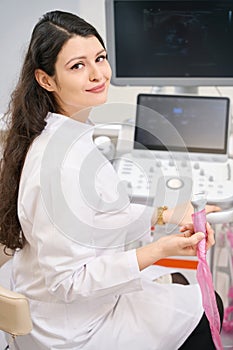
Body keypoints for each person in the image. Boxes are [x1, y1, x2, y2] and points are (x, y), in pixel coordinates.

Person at [0, 10, 223, 350]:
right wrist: (158, 249)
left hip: (64, 304)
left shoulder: (63, 134)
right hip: (74, 330)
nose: (97, 74)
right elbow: (68, 283)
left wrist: (167, 214)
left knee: (179, 287)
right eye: (77, 66)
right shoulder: (61, 165)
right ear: (45, 79)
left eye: (100, 59)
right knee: (208, 307)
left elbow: (99, 214)